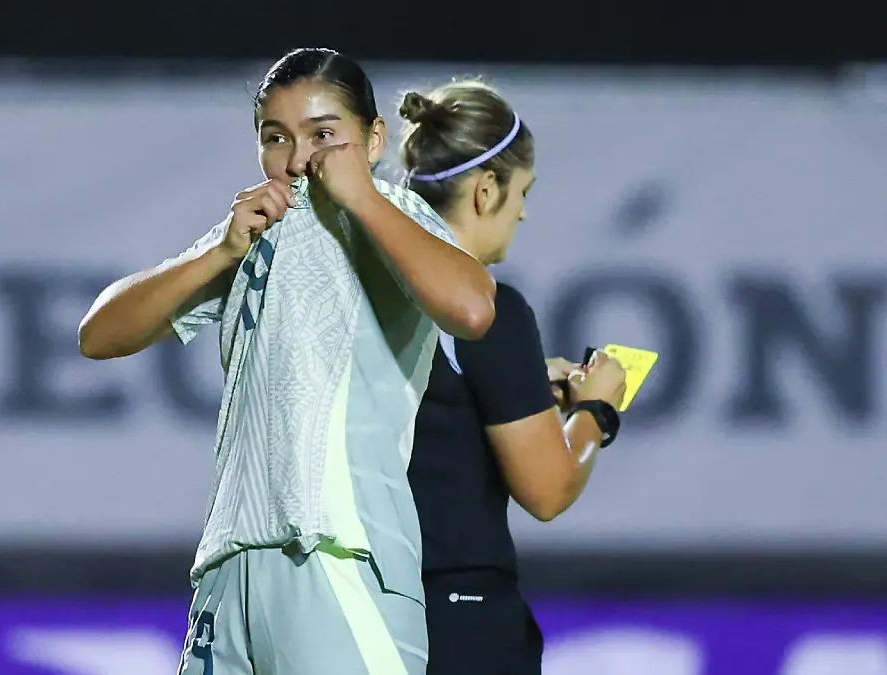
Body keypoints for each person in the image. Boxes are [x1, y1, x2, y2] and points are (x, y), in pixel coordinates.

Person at [78, 49, 498, 675]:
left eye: (325, 135)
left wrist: (364, 198)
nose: (300, 159)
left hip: (339, 557)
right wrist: (217, 253)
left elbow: (472, 308)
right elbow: (99, 333)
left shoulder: (393, 216)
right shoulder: (254, 237)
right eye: (276, 138)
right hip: (229, 570)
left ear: (374, 139)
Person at [398, 80, 629, 674]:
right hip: (458, 619)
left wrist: (518, 383)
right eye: (522, 190)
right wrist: (595, 413)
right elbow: (548, 490)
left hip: (352, 610)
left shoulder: (357, 291)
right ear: (484, 189)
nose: (523, 210)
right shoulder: (488, 312)